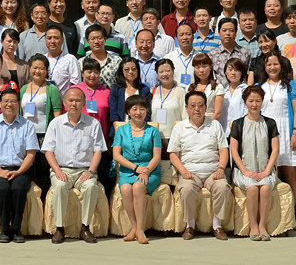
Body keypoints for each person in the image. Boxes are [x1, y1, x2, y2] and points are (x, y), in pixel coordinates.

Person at [43, 88, 107, 244]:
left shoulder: (93, 123)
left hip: (85, 170)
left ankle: (85, 228)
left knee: (91, 186)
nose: (74, 104)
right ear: (64, 103)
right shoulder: (55, 123)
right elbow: (48, 152)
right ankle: (59, 229)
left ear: (84, 103)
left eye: (78, 100)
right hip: (61, 168)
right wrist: (57, 171)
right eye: (70, 100)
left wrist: (91, 171)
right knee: (59, 186)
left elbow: (98, 151)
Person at [0, 89, 39, 243]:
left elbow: (31, 154)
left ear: (18, 104)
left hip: (21, 170)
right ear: (0, 104)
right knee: (3, 189)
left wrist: (18, 172)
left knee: (18, 188)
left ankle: (16, 230)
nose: (9, 104)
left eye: (13, 101)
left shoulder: (27, 125)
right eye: (6, 101)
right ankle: (5, 230)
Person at [168, 91, 231, 240]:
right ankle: (190, 225)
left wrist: (221, 168)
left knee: (222, 187)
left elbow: (223, 150)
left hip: (213, 171)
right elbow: (173, 154)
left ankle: (217, 225)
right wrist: (183, 171)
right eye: (193, 106)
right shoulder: (180, 127)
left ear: (205, 107)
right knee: (186, 189)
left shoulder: (215, 125)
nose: (197, 109)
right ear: (186, 108)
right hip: (190, 172)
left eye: (200, 105)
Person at [229, 85, 280, 241]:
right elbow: (234, 151)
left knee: (265, 188)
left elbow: (275, 150)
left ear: (262, 102)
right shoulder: (238, 124)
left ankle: (262, 225)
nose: (254, 104)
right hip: (243, 170)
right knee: (252, 188)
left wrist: (267, 171)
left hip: (265, 170)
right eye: (251, 101)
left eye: (258, 100)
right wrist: (245, 171)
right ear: (245, 102)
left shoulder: (270, 123)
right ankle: (253, 226)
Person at [113, 95, 162, 244]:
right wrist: (136, 168)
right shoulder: (121, 130)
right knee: (126, 189)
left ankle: (140, 229)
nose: (138, 112)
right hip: (128, 170)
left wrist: (146, 171)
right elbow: (116, 155)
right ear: (128, 111)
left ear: (147, 110)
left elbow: (157, 156)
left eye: (142, 109)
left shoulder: (153, 131)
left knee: (138, 187)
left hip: (150, 170)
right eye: (134, 109)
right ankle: (133, 227)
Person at [19, 54, 63, 198]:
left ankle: (44, 202)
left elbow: (57, 115)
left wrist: (55, 136)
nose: (37, 71)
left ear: (46, 71)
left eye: (41, 68)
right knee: (27, 169)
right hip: (26, 135)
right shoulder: (23, 89)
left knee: (43, 171)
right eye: (35, 67)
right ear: (29, 68)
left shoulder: (52, 89)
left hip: (44, 136)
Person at [259, 51, 296, 201]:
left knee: (290, 174)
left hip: (287, 132)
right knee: (272, 173)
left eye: (275, 64)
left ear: (281, 65)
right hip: (267, 134)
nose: (272, 67)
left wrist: (295, 132)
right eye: (269, 64)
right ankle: (274, 211)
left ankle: (291, 210)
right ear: (264, 67)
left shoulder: (290, 85)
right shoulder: (260, 87)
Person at [73, 58, 111, 142]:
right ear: (82, 73)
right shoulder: (74, 90)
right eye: (89, 72)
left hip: (100, 137)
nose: (92, 75)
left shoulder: (107, 92)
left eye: (96, 72)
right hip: (78, 136)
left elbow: (109, 118)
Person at [208, 18, 252, 88]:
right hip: (221, 93)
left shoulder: (246, 53)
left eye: (231, 30)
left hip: (241, 92)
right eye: (224, 30)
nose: (227, 33)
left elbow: (249, 75)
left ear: (236, 32)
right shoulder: (212, 55)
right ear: (219, 33)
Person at [110, 57, 152, 127]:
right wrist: (117, 126)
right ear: (122, 71)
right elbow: (113, 111)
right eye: (127, 69)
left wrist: (141, 127)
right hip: (120, 127)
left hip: (140, 128)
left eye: (133, 69)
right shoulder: (116, 88)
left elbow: (148, 111)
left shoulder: (144, 89)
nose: (130, 72)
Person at [151, 58, 187, 140]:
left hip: (174, 137)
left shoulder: (180, 91)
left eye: (168, 71)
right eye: (161, 72)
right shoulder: (153, 91)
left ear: (173, 71)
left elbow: (185, 116)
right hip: (155, 137)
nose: (164, 74)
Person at [78, 24, 122, 89]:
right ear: (87, 41)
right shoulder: (81, 62)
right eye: (92, 39)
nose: (96, 42)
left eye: (99, 38)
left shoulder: (117, 61)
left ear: (105, 39)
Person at [46, 25, 81, 98]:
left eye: (56, 38)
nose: (52, 41)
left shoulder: (70, 59)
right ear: (45, 40)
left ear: (62, 40)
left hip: (64, 102)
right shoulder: (42, 59)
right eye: (49, 38)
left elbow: (75, 84)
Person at [189, 54, 224, 121]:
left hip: (210, 123)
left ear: (210, 67)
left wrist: (202, 124)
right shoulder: (190, 88)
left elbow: (217, 113)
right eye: (198, 67)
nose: (201, 70)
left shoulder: (217, 87)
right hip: (192, 124)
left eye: (204, 66)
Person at [221, 58, 249, 137]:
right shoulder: (223, 92)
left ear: (242, 72)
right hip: (224, 133)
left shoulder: (246, 90)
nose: (233, 73)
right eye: (230, 69)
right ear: (225, 72)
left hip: (241, 133)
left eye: (236, 70)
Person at [164, 23, 197, 88]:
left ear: (193, 36)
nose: (185, 38)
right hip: (174, 93)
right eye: (181, 35)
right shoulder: (168, 58)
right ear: (176, 38)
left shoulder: (199, 57)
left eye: (188, 34)